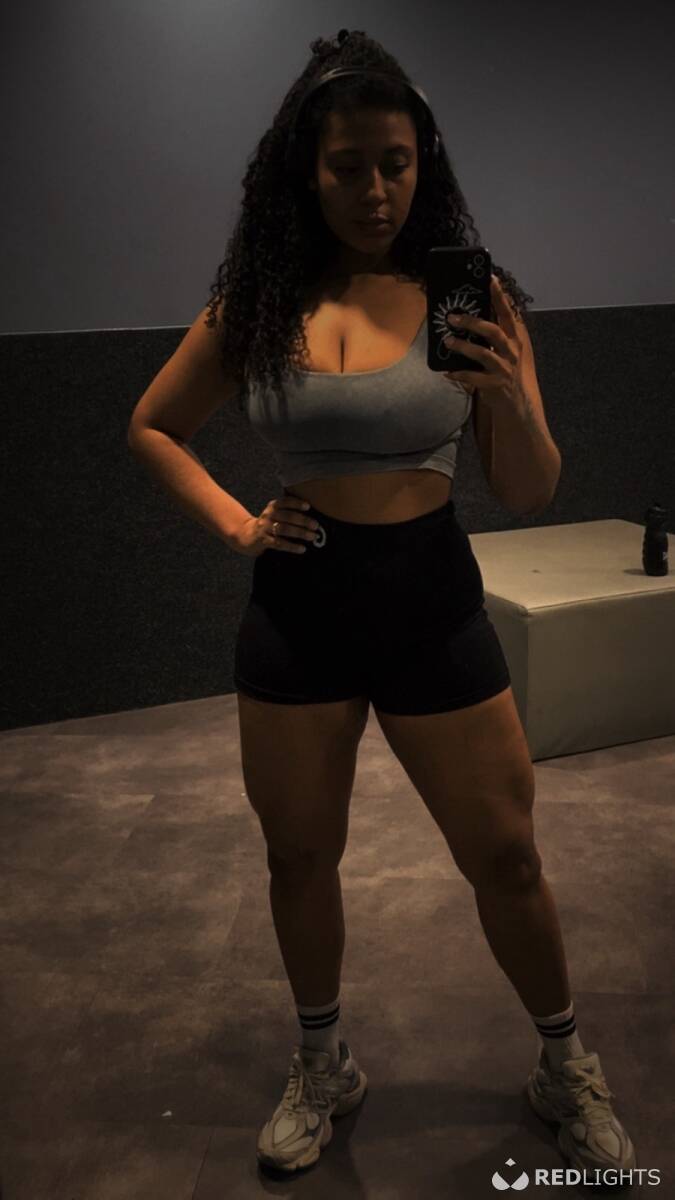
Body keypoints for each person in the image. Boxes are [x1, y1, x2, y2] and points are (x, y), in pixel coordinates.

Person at [127, 27, 636, 1183]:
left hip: (430, 603)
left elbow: (529, 488)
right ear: (307, 172)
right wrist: (238, 525)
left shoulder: (471, 295)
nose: (374, 189)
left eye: (395, 164)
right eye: (348, 165)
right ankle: (324, 1065)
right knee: (299, 856)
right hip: (299, 610)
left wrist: (510, 396)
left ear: (424, 164)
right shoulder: (262, 301)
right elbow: (151, 425)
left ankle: (564, 1065)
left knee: (506, 856)